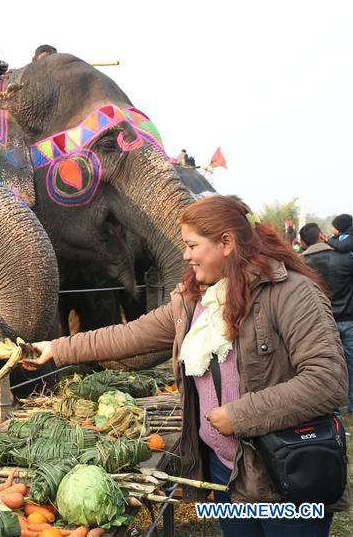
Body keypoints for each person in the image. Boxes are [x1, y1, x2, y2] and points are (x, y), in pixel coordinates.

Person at [24, 196, 348, 536]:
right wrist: (57, 348)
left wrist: (239, 416)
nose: (185, 255)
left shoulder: (292, 294)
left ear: (226, 243)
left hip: (284, 472)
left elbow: (327, 381)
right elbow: (130, 335)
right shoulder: (196, 300)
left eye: (192, 245)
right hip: (227, 473)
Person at [300, 222, 353, 412]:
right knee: (351, 362)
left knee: (328, 367)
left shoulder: (300, 264)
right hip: (348, 317)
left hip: (320, 322)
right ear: (321, 235)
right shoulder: (346, 257)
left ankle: (333, 407)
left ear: (302, 242)